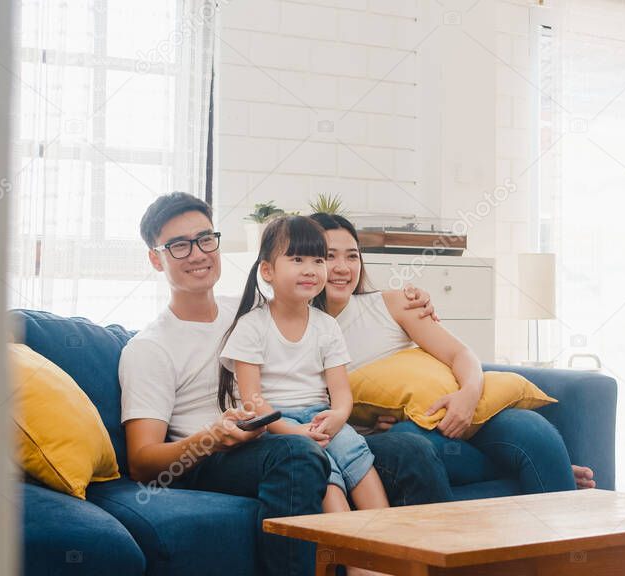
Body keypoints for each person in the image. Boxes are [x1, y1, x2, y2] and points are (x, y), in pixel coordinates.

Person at [119, 193, 449, 576]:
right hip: (219, 455)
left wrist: (408, 297)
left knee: (409, 448)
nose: (198, 254)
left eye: (206, 239)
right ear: (156, 258)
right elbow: (142, 462)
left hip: (288, 430)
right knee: (297, 453)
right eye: (179, 246)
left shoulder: (248, 308)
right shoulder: (149, 348)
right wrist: (212, 437)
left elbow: (318, 295)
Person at [309, 212, 598, 493]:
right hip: (411, 431)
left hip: (463, 413)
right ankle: (540, 469)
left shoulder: (394, 304)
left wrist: (468, 395)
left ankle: (567, 529)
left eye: (352, 255)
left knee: (532, 430)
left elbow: (460, 354)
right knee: (411, 443)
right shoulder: (299, 329)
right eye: (329, 256)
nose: (343, 267)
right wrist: (366, 425)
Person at [220, 216, 391, 576]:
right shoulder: (252, 327)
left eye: (317, 260)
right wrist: (295, 431)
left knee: (360, 462)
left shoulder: (326, 326)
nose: (311, 269)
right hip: (276, 425)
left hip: (321, 416)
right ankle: (360, 565)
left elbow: (340, 394)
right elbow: (253, 402)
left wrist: (338, 417)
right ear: (267, 270)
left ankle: (388, 552)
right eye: (297, 260)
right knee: (323, 474)